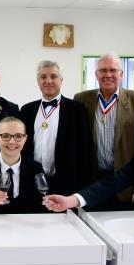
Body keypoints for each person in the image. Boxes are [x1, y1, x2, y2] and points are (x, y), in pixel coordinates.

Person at [74, 53, 134, 209]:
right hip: (92, 179)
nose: (108, 75)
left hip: (125, 181)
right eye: (103, 71)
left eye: (113, 70)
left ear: (121, 74)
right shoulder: (81, 99)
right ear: (96, 74)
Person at [19, 60, 93, 196]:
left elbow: (85, 149)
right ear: (38, 81)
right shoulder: (26, 110)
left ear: (61, 79)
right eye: (43, 77)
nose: (48, 81)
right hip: (31, 182)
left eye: (53, 76)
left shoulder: (77, 110)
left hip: (66, 183)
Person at [0, 117, 45, 214]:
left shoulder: (36, 168)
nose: (12, 142)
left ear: (25, 139)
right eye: (5, 136)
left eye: (18, 136)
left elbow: (40, 205)